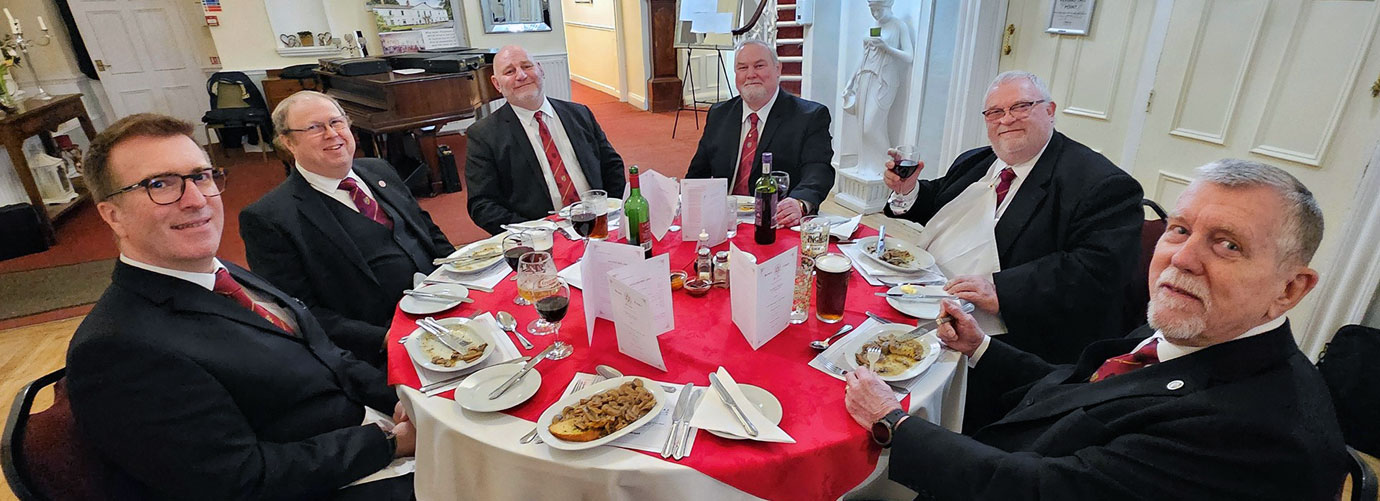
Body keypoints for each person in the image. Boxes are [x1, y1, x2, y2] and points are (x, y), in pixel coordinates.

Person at [846, 159, 1346, 500]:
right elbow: (1081, 389)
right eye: (1180, 229)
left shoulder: (1255, 437)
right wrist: (981, 348)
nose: (1183, 259)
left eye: (1228, 245)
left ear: (1290, 289)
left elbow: (1040, 490)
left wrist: (896, 424)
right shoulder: (1197, 328)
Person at [66, 113, 416, 500]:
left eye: (200, 177)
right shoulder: (118, 347)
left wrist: (405, 401)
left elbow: (328, 356)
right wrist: (389, 442)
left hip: (362, 437)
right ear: (113, 215)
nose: (196, 200)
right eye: (160, 185)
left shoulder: (223, 274)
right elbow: (237, 479)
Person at [883, 71, 1143, 363]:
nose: (1006, 120)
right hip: (928, 297)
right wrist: (908, 191)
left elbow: (1097, 270)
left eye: (1021, 107)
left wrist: (1001, 292)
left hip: (1013, 337)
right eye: (995, 112)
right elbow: (942, 200)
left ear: (1050, 110)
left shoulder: (1102, 185)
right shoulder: (977, 160)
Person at [240, 90, 455, 366]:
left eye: (337, 122)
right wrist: (386, 338)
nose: (332, 134)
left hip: (448, 304)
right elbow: (300, 311)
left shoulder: (379, 170)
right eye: (315, 128)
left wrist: (463, 279)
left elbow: (427, 231)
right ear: (288, 142)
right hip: (383, 342)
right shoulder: (269, 218)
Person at [465, 44, 627, 235]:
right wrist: (531, 232)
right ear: (497, 84)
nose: (521, 76)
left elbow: (611, 165)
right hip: (539, 238)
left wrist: (610, 213)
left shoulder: (579, 114)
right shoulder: (484, 135)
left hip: (598, 223)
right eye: (510, 71)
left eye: (527, 66)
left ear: (540, 69)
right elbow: (482, 204)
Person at [686, 38, 835, 228]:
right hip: (724, 219)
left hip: (776, 221)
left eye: (759, 66)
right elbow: (698, 174)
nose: (750, 74)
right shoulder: (719, 114)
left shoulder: (809, 117)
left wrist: (799, 202)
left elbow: (819, 171)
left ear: (778, 69)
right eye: (742, 68)